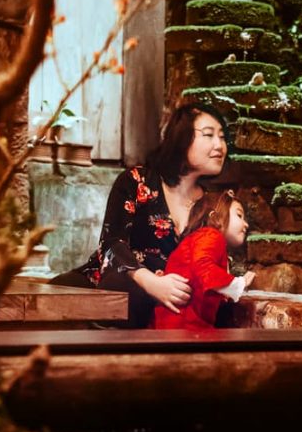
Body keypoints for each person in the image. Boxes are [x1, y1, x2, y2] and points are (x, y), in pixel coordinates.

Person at [50, 104, 229, 327]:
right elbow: (111, 244)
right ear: (180, 138)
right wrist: (150, 282)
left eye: (222, 137)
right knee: (111, 291)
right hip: (113, 285)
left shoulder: (214, 205)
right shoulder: (136, 181)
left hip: (174, 302)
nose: (219, 145)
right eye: (209, 135)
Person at [152, 190, 255, 331]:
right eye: (239, 215)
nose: (246, 224)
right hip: (183, 327)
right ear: (215, 216)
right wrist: (238, 284)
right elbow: (203, 268)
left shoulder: (200, 238)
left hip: (179, 326)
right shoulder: (210, 235)